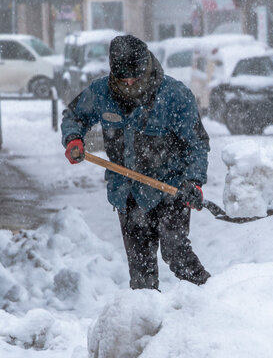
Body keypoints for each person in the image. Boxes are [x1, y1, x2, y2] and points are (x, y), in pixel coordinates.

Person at [61, 35, 211, 290]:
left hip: (171, 190)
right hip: (127, 193)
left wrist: (193, 181)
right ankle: (148, 322)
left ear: (146, 67)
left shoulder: (174, 95)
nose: (129, 81)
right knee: (141, 274)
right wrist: (74, 138)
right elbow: (73, 115)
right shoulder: (101, 93)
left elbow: (197, 144)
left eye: (135, 75)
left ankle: (211, 299)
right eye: (122, 76)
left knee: (176, 255)